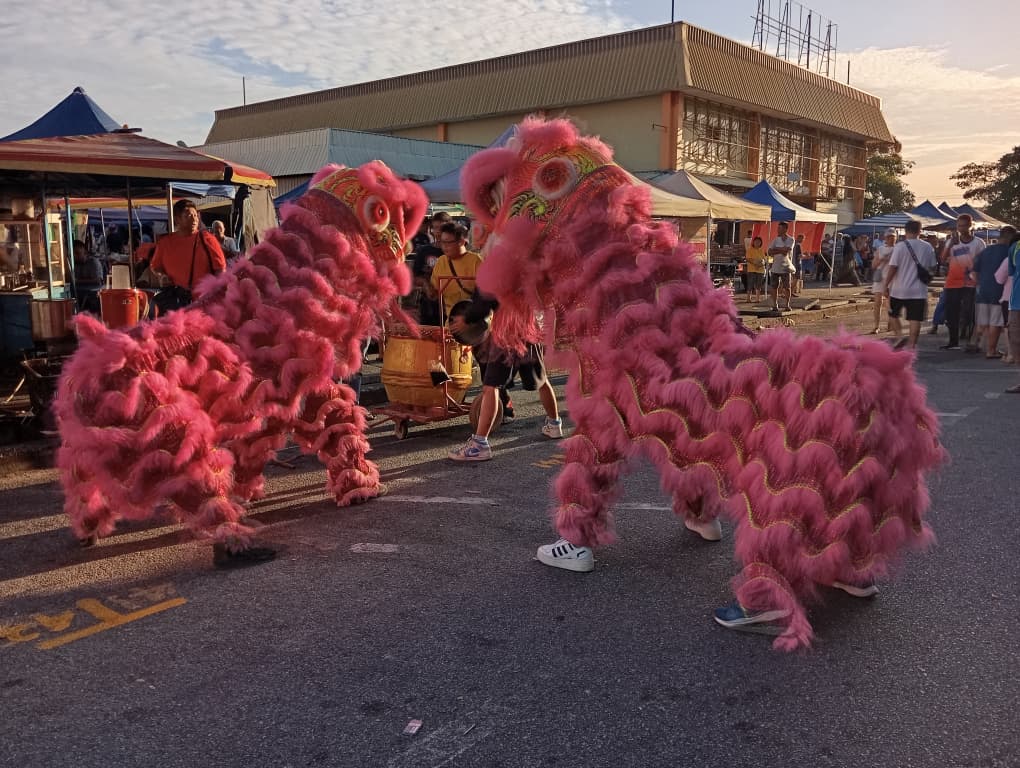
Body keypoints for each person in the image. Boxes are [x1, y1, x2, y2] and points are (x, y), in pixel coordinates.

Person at [447, 291, 564, 461]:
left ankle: (479, 445)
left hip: (507, 333)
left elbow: (487, 297)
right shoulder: (523, 265)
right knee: (542, 380)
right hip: (528, 327)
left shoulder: (499, 265)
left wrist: (467, 319)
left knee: (490, 386)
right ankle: (554, 425)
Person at [150, 199, 226, 313]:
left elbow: (221, 270)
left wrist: (216, 295)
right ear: (177, 219)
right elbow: (155, 267)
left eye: (196, 215)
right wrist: (161, 276)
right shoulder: (165, 242)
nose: (194, 219)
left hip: (204, 305)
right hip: (175, 304)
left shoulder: (207, 239)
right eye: (188, 215)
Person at [884, 219, 937, 350]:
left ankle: (899, 335)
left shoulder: (900, 247)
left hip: (898, 289)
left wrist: (885, 285)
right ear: (920, 231)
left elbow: (893, 268)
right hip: (919, 291)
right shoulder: (927, 247)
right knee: (915, 319)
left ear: (906, 231)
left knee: (892, 314)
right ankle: (912, 346)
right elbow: (933, 266)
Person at [939, 214, 986, 351]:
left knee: (968, 312)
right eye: (959, 225)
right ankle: (953, 341)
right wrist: (950, 246)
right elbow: (942, 260)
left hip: (970, 282)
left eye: (964, 225)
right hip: (953, 282)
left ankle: (970, 340)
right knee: (951, 312)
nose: (961, 229)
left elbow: (982, 262)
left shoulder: (978, 243)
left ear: (970, 226)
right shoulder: (952, 241)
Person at [970, 225, 1014, 358]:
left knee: (985, 320)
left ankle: (978, 343)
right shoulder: (1009, 251)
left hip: (983, 291)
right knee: (996, 322)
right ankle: (991, 350)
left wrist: (980, 283)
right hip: (999, 291)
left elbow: (973, 272)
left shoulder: (986, 251)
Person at [430, 221, 482, 320]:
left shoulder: (476, 261)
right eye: (442, 242)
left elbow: (486, 295)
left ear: (461, 242)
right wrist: (429, 289)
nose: (444, 246)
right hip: (451, 322)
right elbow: (435, 291)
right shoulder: (441, 261)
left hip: (475, 321)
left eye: (448, 242)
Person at [411, 212, 450, 326]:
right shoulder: (424, 251)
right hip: (429, 303)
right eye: (435, 227)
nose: (438, 231)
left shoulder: (456, 250)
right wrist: (426, 284)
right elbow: (415, 276)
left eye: (442, 227)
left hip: (450, 302)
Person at [870, 229, 896, 334]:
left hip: (893, 278)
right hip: (880, 277)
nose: (891, 239)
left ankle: (890, 324)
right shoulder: (880, 249)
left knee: (890, 303)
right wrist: (882, 260)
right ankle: (876, 326)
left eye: (893, 237)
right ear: (885, 238)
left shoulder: (898, 249)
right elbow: (873, 265)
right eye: (889, 237)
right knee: (877, 302)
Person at [767, 221, 795, 312]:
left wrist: (776, 249)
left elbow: (786, 251)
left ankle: (787, 304)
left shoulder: (791, 239)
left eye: (780, 228)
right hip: (775, 267)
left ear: (785, 229)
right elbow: (769, 252)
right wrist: (780, 250)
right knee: (774, 287)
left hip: (786, 267)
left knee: (787, 287)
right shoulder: (775, 240)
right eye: (778, 228)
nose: (778, 230)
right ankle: (775, 304)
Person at [72, 240, 104, 315]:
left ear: (85, 252)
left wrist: (78, 281)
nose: (75, 256)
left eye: (77, 253)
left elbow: (98, 280)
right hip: (79, 291)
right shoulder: (74, 264)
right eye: (74, 254)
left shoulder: (93, 262)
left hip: (93, 292)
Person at [744, 236, 766, 304]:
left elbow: (764, 259)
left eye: (759, 242)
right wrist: (755, 263)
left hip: (760, 270)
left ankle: (757, 298)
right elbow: (748, 259)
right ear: (753, 242)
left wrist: (761, 263)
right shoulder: (749, 250)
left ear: (761, 243)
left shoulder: (762, 250)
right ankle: (748, 298)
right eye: (756, 241)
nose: (757, 243)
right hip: (752, 269)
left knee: (758, 284)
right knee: (750, 284)